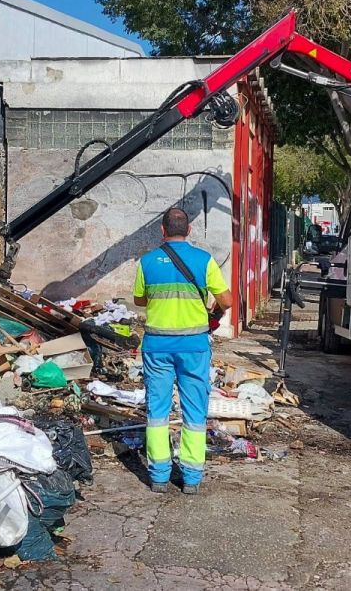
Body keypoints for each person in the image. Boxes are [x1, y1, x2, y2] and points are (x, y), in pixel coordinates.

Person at [133, 207, 232, 494]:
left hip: (157, 346)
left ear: (162, 231)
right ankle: (191, 477)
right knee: (194, 411)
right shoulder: (204, 260)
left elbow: (140, 300)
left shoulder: (147, 262)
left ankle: (159, 476)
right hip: (194, 347)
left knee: (157, 409)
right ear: (189, 231)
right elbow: (225, 300)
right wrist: (212, 312)